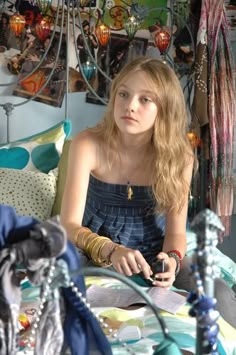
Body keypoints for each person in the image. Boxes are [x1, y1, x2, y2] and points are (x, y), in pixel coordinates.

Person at [61, 56, 236, 328]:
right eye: (124, 94)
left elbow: (176, 232)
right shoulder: (87, 143)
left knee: (220, 295)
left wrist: (173, 263)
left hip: (155, 253)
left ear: (164, 109)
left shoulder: (181, 158)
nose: (130, 106)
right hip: (93, 249)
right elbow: (69, 225)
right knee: (67, 298)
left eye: (146, 99)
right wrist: (111, 250)